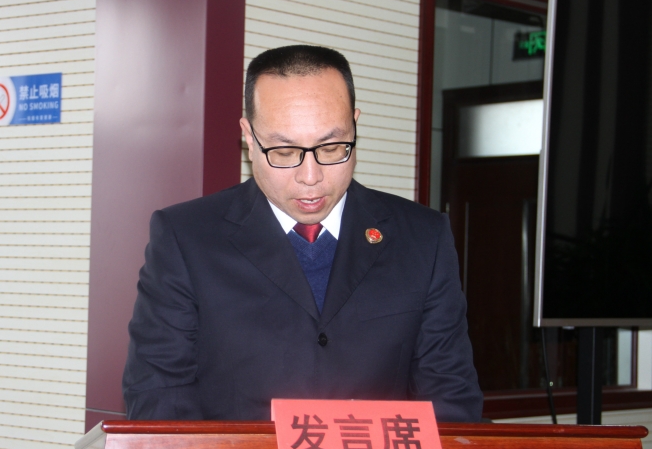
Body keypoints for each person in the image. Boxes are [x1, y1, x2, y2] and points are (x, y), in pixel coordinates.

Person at [122, 45, 482, 422]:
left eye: (332, 147)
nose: (310, 176)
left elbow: (451, 400)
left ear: (355, 126)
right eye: (283, 151)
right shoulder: (186, 238)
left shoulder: (423, 238)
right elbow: (159, 398)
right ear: (249, 137)